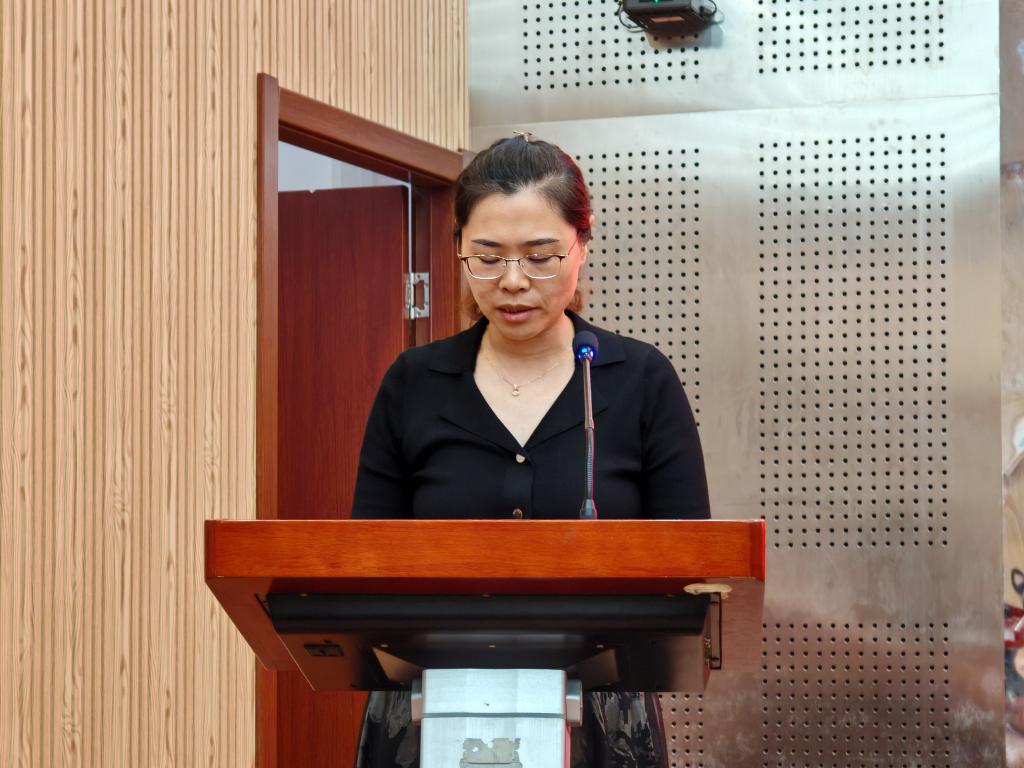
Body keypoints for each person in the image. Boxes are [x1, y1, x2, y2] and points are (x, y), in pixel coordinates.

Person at [351, 134, 710, 768]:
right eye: (487, 258)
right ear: (459, 249)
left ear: (581, 246)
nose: (513, 282)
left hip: (600, 716)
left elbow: (692, 561)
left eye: (540, 257)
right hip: (426, 709)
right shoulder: (414, 382)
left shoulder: (638, 380)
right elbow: (365, 560)